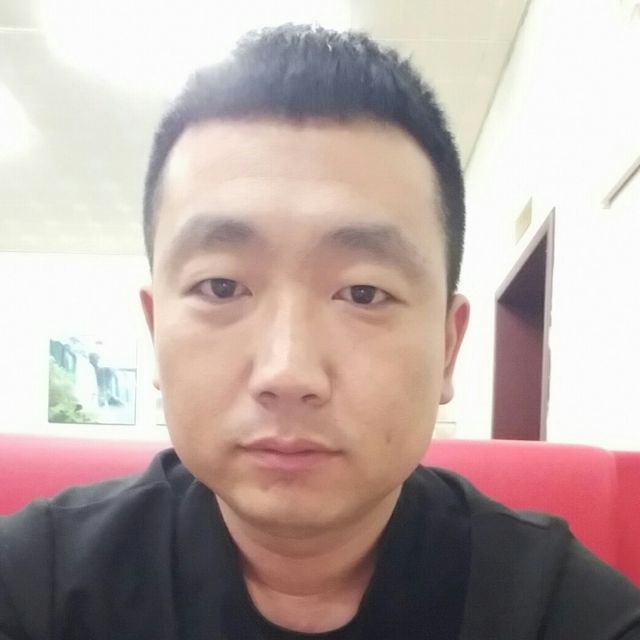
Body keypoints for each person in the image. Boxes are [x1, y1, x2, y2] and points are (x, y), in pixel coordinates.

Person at [1, 24, 639, 640]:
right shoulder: (35, 585)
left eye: (364, 293)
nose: (287, 373)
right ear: (155, 330)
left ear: (448, 347)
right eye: (220, 286)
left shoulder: (559, 609)